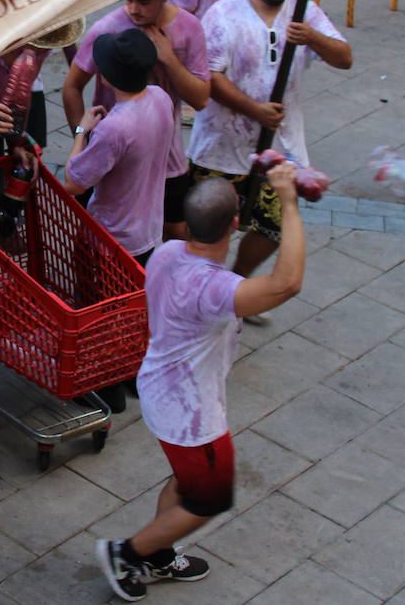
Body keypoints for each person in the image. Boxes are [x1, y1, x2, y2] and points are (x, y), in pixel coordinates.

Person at [95, 168, 305, 602]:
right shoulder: (216, 289)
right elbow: (288, 283)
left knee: (187, 482)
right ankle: (127, 554)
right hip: (191, 417)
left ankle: (157, 555)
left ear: (188, 225)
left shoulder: (168, 253)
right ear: (234, 224)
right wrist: (289, 203)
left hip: (159, 389)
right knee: (209, 499)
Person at [185, 0, 351, 301]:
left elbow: (344, 57)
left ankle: (239, 285)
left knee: (276, 227)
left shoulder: (304, 11)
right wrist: (254, 110)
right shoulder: (223, 14)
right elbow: (209, 77)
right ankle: (200, 291)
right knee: (207, 228)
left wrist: (312, 38)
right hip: (221, 148)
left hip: (281, 148)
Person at [64, 0, 209, 241]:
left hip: (166, 160)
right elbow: (72, 87)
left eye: (144, 1)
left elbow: (200, 100)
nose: (133, 8)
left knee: (174, 230)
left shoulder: (188, 29)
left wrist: (169, 59)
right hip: (107, 152)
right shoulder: (106, 30)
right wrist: (86, 143)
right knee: (94, 231)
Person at [64, 29, 177, 267]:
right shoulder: (160, 98)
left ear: (108, 76)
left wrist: (81, 132)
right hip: (147, 230)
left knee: (97, 298)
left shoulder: (113, 129)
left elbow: (74, 182)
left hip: (111, 239)